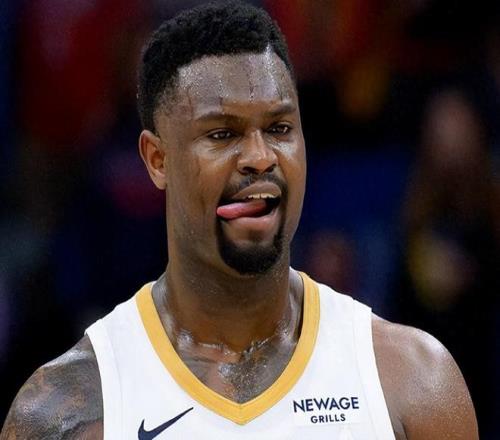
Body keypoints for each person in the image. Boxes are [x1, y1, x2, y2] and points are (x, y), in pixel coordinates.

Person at [1, 2, 478, 439]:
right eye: (222, 134)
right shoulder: (67, 411)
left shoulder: (413, 381)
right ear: (157, 160)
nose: (259, 156)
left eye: (279, 128)